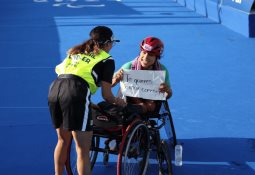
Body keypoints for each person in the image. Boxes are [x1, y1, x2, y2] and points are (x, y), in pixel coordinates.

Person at [48, 26, 126, 175]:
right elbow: (107, 95)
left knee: (62, 141)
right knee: (83, 149)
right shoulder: (107, 59)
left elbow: (67, 78)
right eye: (112, 43)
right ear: (108, 43)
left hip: (55, 89)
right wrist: (119, 101)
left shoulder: (75, 52)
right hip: (75, 91)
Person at [112, 36, 172, 113]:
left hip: (150, 101)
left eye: (150, 54)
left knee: (151, 106)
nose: (145, 57)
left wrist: (167, 90)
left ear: (157, 57)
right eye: (144, 52)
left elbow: (168, 95)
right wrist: (116, 79)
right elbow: (109, 84)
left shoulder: (162, 70)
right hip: (128, 101)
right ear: (140, 52)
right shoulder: (128, 67)